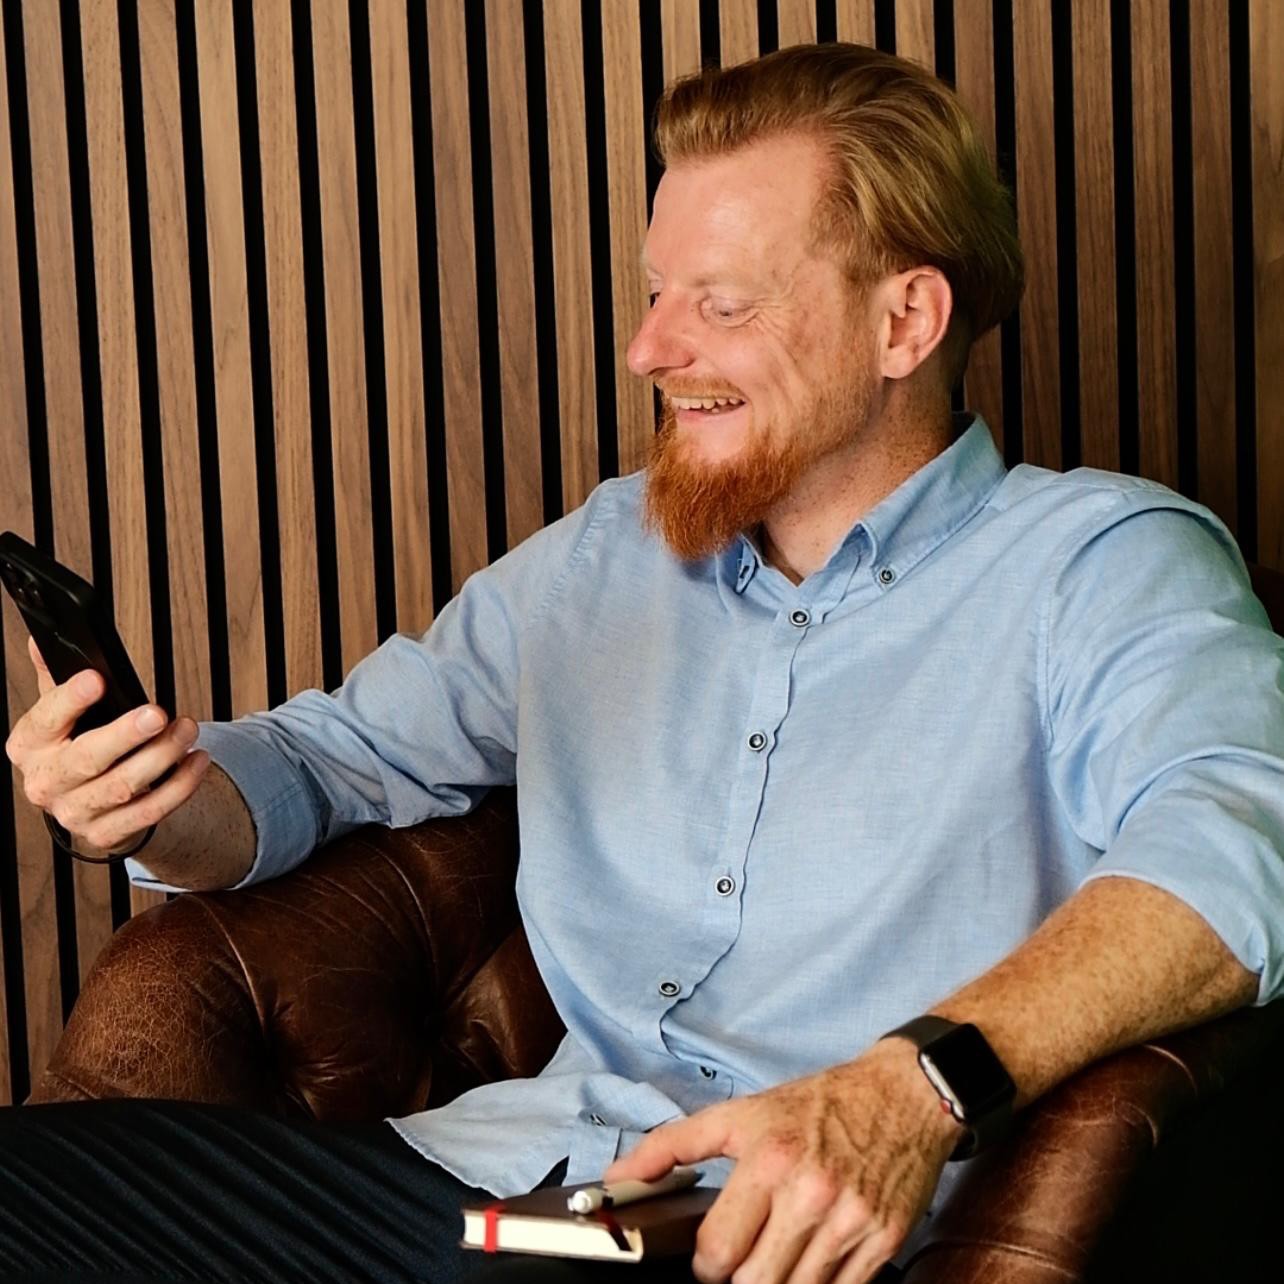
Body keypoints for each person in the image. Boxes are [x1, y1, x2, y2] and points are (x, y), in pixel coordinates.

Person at [4, 41, 1283, 1284]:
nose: (649, 350)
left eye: (721, 304)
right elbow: (326, 760)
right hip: (488, 1190)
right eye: (656, 291)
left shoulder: (1102, 563)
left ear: (905, 320)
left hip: (772, 1241)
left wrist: (911, 1089)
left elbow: (1238, 856)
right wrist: (150, 803)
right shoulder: (605, 556)